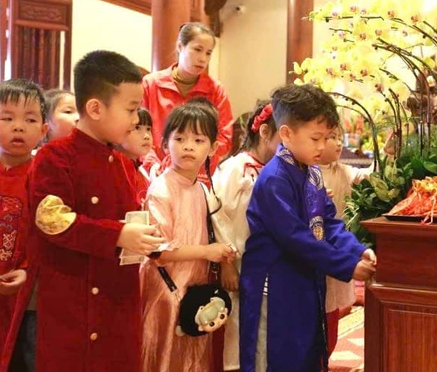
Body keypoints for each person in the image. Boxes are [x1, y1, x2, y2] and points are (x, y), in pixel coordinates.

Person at [27, 50, 165, 372]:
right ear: (95, 108)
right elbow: (52, 220)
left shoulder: (123, 164)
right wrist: (118, 234)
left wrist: (144, 238)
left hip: (117, 299)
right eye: (131, 109)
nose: (136, 119)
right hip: (73, 301)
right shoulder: (55, 157)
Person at [239, 85, 377, 371]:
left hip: (303, 276)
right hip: (275, 283)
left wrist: (356, 251)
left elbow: (329, 221)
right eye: (315, 138)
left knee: (306, 351)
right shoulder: (274, 178)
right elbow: (294, 237)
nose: (322, 146)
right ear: (286, 133)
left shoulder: (312, 172)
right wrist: (346, 265)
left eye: (326, 137)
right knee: (277, 357)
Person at [140, 103, 236, 372]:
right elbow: (158, 251)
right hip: (164, 289)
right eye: (179, 139)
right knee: (164, 354)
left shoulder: (202, 189)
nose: (188, 147)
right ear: (165, 144)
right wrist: (207, 251)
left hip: (195, 286)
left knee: (192, 355)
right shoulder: (161, 190)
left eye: (198, 140)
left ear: (213, 148)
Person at [212, 100, 280, 371]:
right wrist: (227, 262)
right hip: (238, 261)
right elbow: (217, 214)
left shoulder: (279, 169)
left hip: (267, 264)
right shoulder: (235, 168)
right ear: (264, 132)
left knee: (264, 330)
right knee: (237, 331)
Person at [0, 79, 47, 372]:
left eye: (30, 120)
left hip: (23, 292)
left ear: (44, 131)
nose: (19, 127)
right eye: (8, 118)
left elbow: (46, 235)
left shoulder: (45, 180)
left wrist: (27, 269)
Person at [142, 22, 233, 176]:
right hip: (155, 172)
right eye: (197, 49)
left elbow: (224, 138)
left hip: (198, 175)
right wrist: (153, 167)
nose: (203, 59)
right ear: (180, 46)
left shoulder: (216, 90)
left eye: (208, 53)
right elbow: (138, 131)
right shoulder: (150, 84)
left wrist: (195, 166)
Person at [318, 126, 372, 358]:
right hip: (315, 251)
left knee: (332, 309)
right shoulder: (304, 172)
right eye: (331, 138)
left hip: (337, 242)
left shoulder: (342, 170)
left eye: (339, 138)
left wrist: (389, 155)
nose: (339, 143)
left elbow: (368, 176)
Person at [118, 107, 153, 206]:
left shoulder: (141, 170)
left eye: (148, 129)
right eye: (137, 128)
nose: (146, 136)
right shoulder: (117, 170)